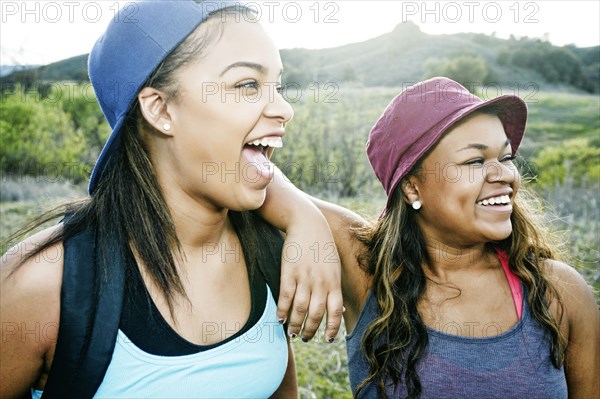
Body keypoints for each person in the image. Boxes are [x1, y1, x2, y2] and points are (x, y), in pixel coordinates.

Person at [0, 1, 344, 398]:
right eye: (247, 85)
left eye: (278, 87)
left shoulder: (273, 248)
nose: (285, 110)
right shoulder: (41, 286)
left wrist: (307, 218)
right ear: (160, 109)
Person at [264, 77, 599, 398]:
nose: (505, 174)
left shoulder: (558, 292)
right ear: (412, 187)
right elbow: (253, 173)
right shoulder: (369, 271)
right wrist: (303, 218)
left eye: (506, 156)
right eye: (475, 160)